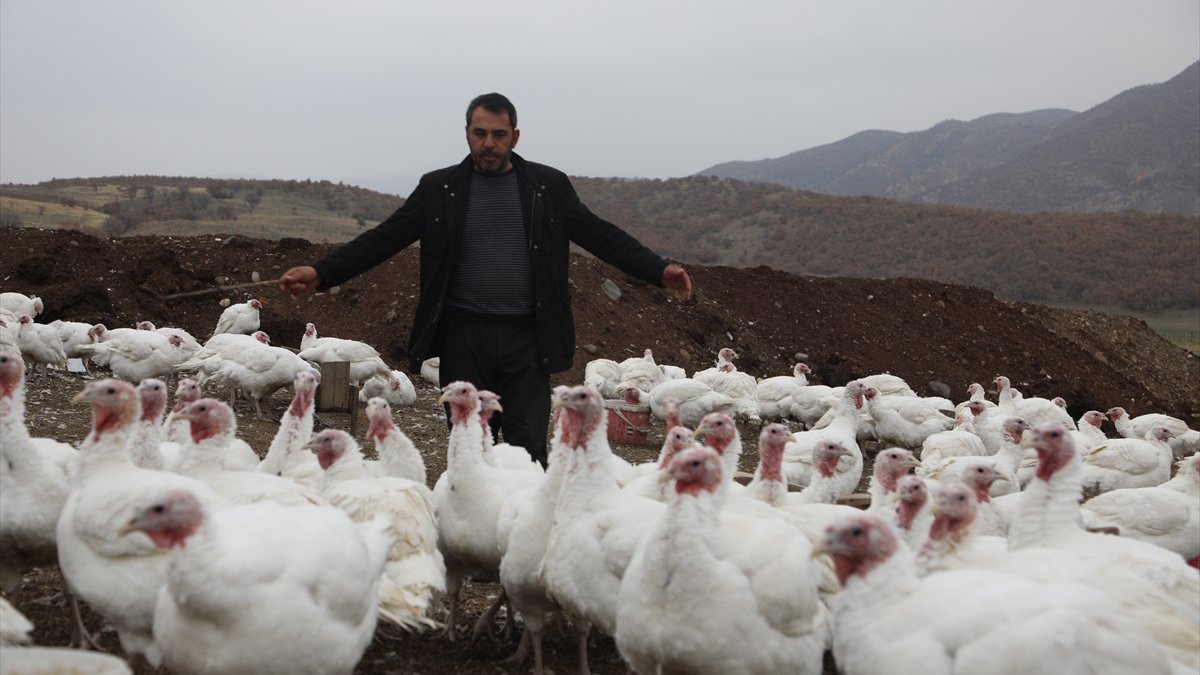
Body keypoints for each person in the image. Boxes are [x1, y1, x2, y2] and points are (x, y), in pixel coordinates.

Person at [281, 92, 691, 465]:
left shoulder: (547, 188)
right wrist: (322, 273)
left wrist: (657, 270)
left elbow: (600, 235)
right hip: (463, 338)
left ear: (515, 136)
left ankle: (516, 540)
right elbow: (384, 239)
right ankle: (466, 541)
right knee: (468, 447)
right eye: (480, 133)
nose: (488, 143)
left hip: (529, 341)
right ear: (466, 134)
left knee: (527, 453)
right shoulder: (439, 189)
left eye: (498, 134)